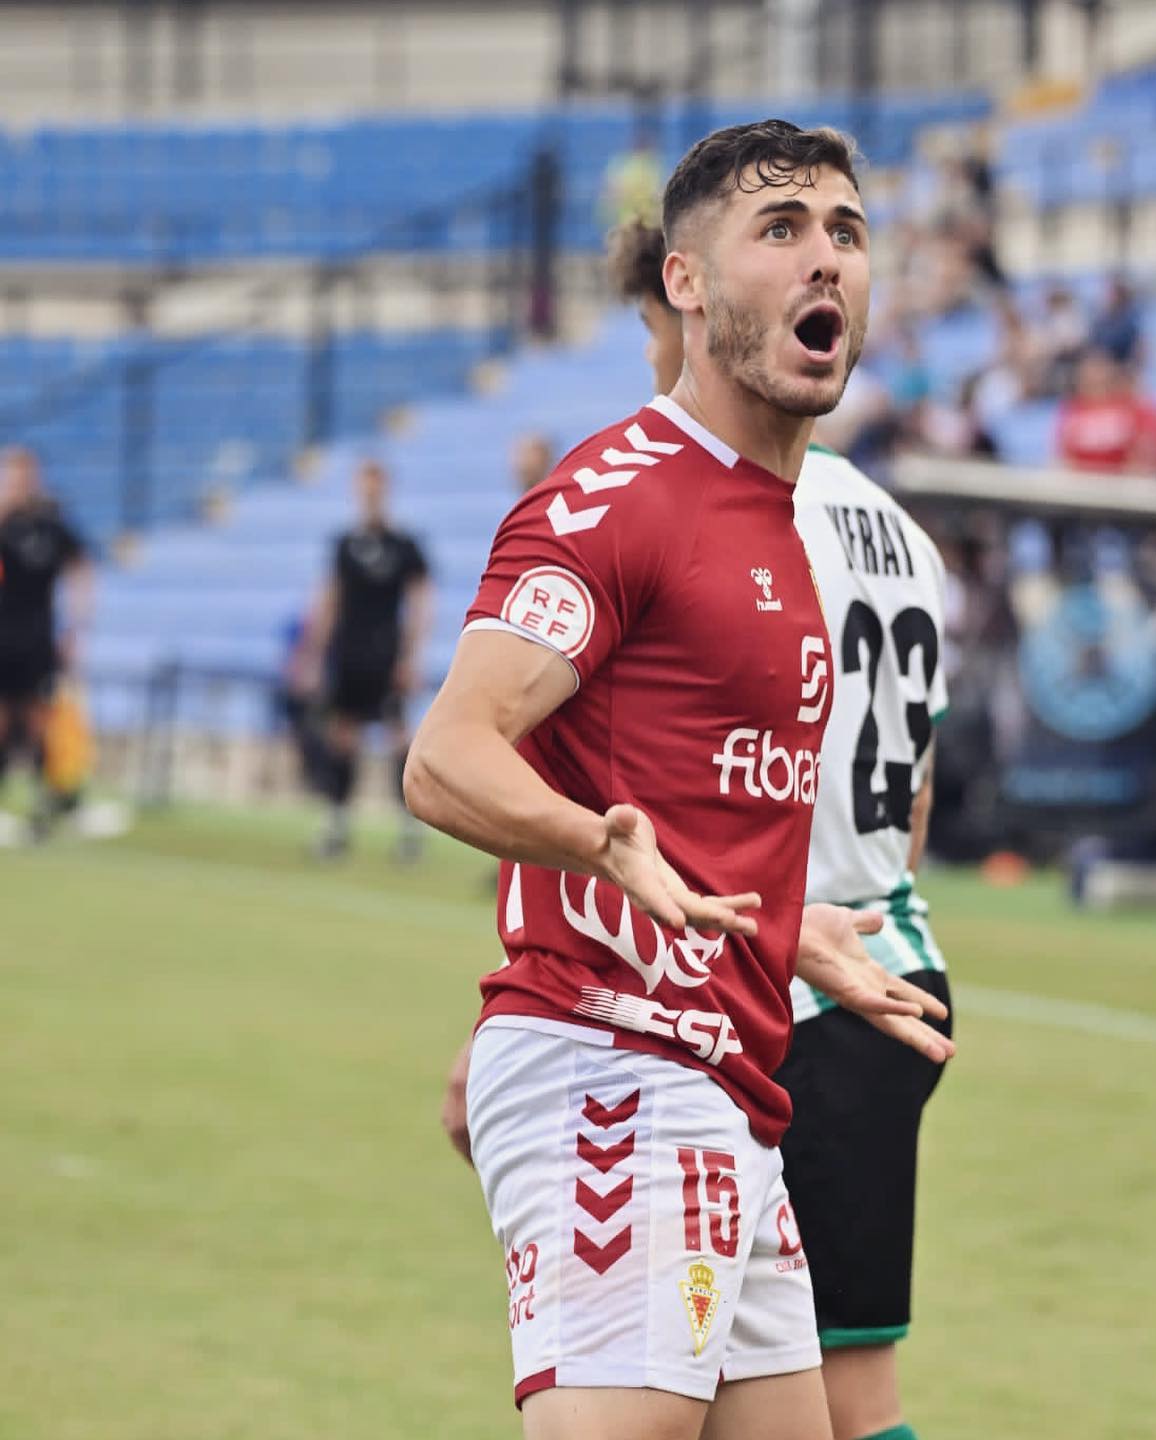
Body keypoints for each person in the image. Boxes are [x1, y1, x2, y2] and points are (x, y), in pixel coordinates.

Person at [407, 121, 954, 1440]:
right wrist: (602, 845)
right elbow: (447, 754)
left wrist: (786, 928)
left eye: (846, 230)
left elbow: (707, 806)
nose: (825, 257)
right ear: (686, 282)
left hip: (729, 1075)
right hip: (619, 1067)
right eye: (781, 228)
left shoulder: (786, 523)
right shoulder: (617, 498)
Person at [296, 459, 433, 860]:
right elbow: (329, 599)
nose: (369, 494)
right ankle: (337, 826)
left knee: (398, 739)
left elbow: (421, 601)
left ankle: (409, 830)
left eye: (375, 487)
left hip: (386, 655)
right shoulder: (343, 545)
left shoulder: (403, 546)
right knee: (342, 737)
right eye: (363, 487)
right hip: (349, 655)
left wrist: (411, 655)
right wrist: (314, 654)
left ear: (385, 490)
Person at [0, 447, 93, 838]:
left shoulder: (52, 525)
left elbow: (81, 568)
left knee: (41, 717)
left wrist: (77, 627)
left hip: (38, 636)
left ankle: (47, 799)